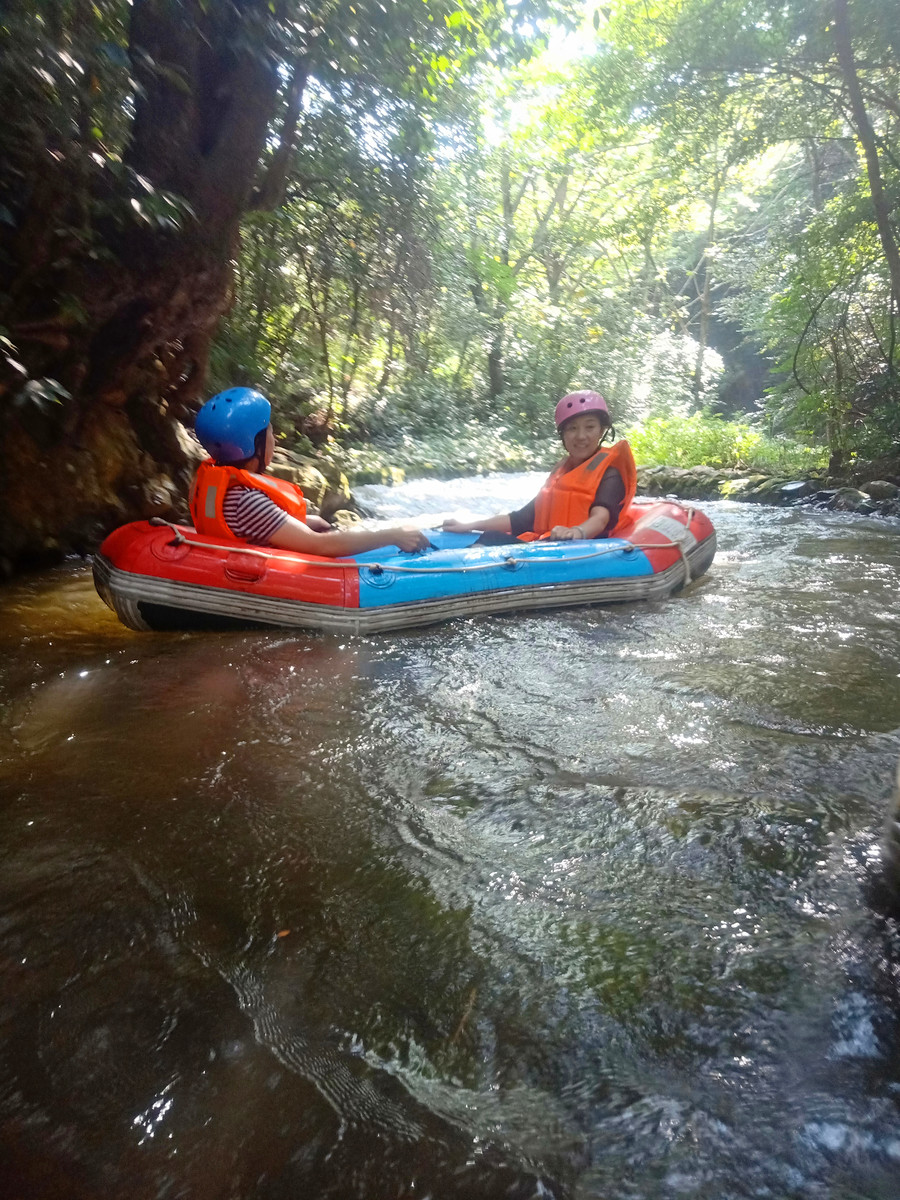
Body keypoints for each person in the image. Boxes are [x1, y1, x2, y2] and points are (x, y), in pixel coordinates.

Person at [189, 387, 428, 555]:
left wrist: (303, 520)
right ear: (254, 443)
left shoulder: (222, 488)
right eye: (270, 432)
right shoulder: (247, 501)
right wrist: (393, 535)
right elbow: (321, 546)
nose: (275, 439)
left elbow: (252, 525)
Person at [442, 390, 637, 543]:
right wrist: (468, 525)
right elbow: (519, 519)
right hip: (549, 546)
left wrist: (576, 532)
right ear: (563, 435)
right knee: (491, 537)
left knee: (492, 540)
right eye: (572, 428)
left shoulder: (610, 475)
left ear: (602, 430)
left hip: (583, 550)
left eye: (590, 427)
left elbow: (600, 518)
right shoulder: (561, 474)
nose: (581, 436)